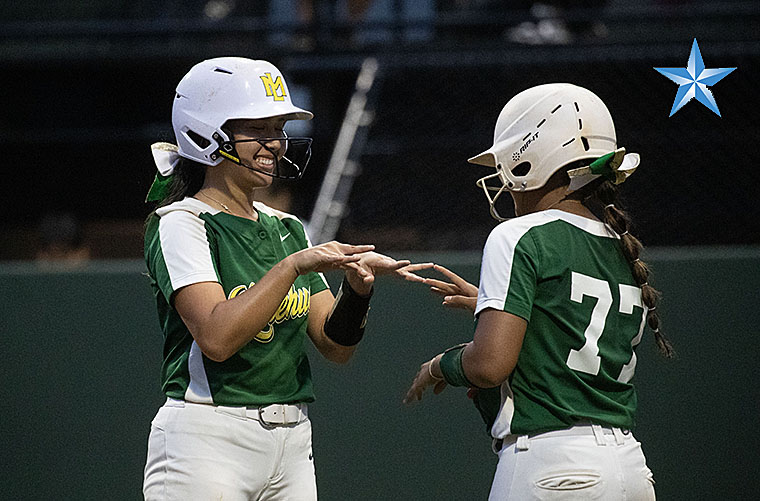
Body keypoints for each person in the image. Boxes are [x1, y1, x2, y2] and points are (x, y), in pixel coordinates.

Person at [142, 57, 409, 500]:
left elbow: (335, 347)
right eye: (257, 130)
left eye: (278, 129)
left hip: (292, 441)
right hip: (208, 437)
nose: (276, 144)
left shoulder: (288, 228)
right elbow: (216, 336)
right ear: (207, 133)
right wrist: (291, 267)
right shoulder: (182, 221)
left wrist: (358, 290)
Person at [402, 83, 673, 499]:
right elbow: (568, 324)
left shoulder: (519, 236)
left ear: (528, 158)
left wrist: (441, 364)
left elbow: (490, 365)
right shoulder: (620, 245)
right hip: (630, 469)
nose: (504, 184)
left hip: (553, 467)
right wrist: (496, 302)